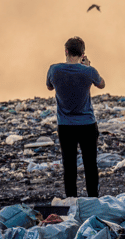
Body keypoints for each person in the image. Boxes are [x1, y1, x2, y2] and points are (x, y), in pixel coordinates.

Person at [46, 36, 105, 198]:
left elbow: (50, 87)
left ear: (66, 51)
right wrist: (87, 66)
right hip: (87, 124)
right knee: (90, 164)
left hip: (65, 125)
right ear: (83, 53)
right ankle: (93, 200)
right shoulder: (89, 71)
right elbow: (101, 84)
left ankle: (71, 200)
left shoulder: (54, 69)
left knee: (69, 166)